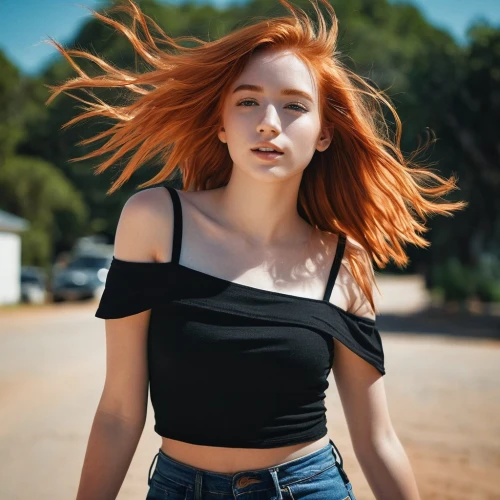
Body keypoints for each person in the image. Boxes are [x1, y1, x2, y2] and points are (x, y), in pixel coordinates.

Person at [49, 0, 464, 499]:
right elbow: (118, 409)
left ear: (324, 133)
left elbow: (377, 439)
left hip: (309, 488)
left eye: (294, 105)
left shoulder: (344, 262)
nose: (269, 122)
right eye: (248, 102)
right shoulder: (156, 221)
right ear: (221, 124)